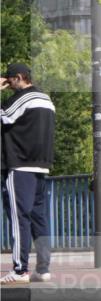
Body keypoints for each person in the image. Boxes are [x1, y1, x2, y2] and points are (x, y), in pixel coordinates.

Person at [1, 63, 55, 284]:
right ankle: (43, 269)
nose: (8, 83)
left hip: (20, 165)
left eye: (10, 79)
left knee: (19, 217)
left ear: (19, 77)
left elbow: (4, 116)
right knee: (38, 218)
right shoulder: (46, 99)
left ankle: (20, 269)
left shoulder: (23, 97)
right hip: (40, 166)